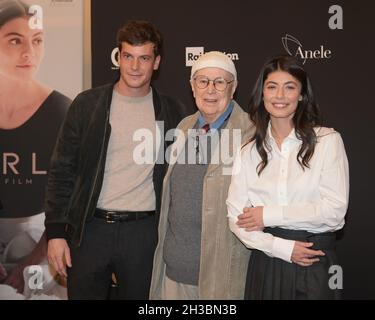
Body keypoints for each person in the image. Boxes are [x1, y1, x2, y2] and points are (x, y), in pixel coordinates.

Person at [45, 20, 188, 300]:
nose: (135, 67)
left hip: (144, 234)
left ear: (156, 62)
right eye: (128, 57)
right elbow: (61, 170)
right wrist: (55, 233)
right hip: (90, 230)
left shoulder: (173, 111)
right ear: (118, 57)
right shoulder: (87, 105)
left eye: (144, 58)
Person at [226, 55, 349, 300]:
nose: (279, 96)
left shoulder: (327, 141)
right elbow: (235, 218)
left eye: (289, 87)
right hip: (267, 262)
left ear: (302, 95)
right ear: (262, 94)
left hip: (314, 261)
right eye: (272, 87)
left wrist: (267, 214)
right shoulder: (248, 152)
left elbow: (334, 211)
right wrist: (282, 248)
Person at [150, 51, 254, 300]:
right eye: (203, 81)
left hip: (221, 279)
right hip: (174, 275)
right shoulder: (184, 127)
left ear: (234, 87)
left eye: (220, 82)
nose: (211, 90)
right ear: (192, 86)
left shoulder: (251, 134)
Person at [0, 0, 70, 298]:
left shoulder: (62, 111)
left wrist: (31, 262)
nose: (29, 53)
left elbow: (69, 200)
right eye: (15, 40)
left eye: (37, 41)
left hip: (45, 253)